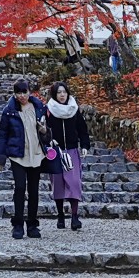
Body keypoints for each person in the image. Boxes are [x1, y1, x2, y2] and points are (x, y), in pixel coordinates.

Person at [0, 80, 50, 238]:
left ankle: (32, 224)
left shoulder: (39, 107)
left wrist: (45, 131)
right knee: (19, 188)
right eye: (19, 93)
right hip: (17, 154)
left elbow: (47, 133)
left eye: (24, 92)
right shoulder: (9, 111)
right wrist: (0, 156)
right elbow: (2, 134)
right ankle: (17, 224)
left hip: (36, 153)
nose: (22, 96)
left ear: (29, 92)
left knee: (34, 190)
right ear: (14, 94)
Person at [45, 82, 89, 231]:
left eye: (64, 92)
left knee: (74, 182)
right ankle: (60, 215)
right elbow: (43, 131)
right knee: (57, 183)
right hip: (55, 151)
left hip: (71, 149)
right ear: (54, 94)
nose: (62, 95)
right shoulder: (49, 110)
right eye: (59, 92)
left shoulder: (74, 109)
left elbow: (82, 129)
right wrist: (48, 141)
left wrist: (84, 145)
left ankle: (75, 216)